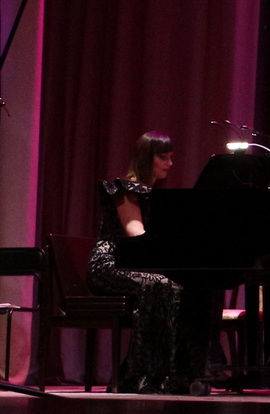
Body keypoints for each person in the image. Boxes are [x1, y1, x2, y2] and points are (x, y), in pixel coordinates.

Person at [87, 131, 208, 394]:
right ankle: (140, 375)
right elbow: (136, 236)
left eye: (171, 157)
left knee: (186, 288)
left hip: (135, 265)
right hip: (109, 263)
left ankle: (177, 373)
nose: (170, 163)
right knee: (160, 285)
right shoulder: (126, 190)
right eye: (163, 157)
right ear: (147, 157)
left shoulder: (154, 195)